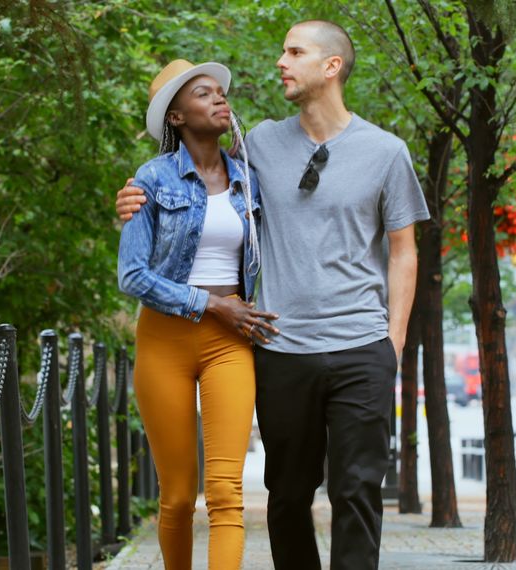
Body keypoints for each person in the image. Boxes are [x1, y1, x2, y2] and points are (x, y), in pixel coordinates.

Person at [117, 21, 430, 570]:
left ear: (330, 66)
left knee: (357, 492)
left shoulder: (387, 151)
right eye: (283, 51)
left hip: (361, 345)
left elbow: (405, 251)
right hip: (281, 346)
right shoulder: (259, 143)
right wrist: (131, 201)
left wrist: (393, 343)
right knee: (286, 495)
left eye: (294, 52)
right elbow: (190, 179)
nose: (280, 62)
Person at [117, 58, 279, 570]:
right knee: (179, 496)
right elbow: (132, 275)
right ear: (177, 117)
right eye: (204, 94)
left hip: (230, 342)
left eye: (220, 93)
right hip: (165, 340)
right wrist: (212, 304)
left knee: (226, 491)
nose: (219, 99)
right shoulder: (152, 177)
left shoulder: (248, 179)